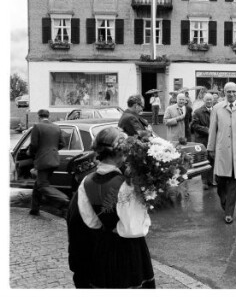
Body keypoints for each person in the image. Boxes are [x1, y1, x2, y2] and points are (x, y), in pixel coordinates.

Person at [73, 127, 155, 288]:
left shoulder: (86, 181)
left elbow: (91, 221)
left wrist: (109, 227)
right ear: (120, 152)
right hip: (129, 253)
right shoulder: (126, 185)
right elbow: (133, 229)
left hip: (102, 248)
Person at [207, 82, 236, 224]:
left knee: (234, 181)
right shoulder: (217, 108)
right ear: (224, 93)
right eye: (229, 92)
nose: (232, 94)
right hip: (222, 150)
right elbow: (212, 129)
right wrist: (211, 147)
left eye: (234, 91)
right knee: (221, 182)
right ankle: (225, 202)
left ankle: (229, 212)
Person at [28, 109, 69, 216]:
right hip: (54, 159)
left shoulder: (37, 126)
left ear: (38, 116)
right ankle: (34, 209)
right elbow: (62, 143)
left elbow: (34, 145)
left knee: (42, 185)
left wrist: (31, 153)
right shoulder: (56, 127)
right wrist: (52, 150)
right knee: (38, 184)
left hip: (43, 161)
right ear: (48, 116)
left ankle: (64, 200)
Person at [191, 93, 216, 189]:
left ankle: (210, 180)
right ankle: (204, 182)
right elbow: (194, 126)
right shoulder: (198, 112)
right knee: (204, 160)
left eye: (210, 99)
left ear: (213, 100)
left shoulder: (216, 110)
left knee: (212, 160)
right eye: (207, 100)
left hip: (213, 140)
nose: (209, 101)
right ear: (204, 101)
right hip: (202, 140)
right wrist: (207, 130)